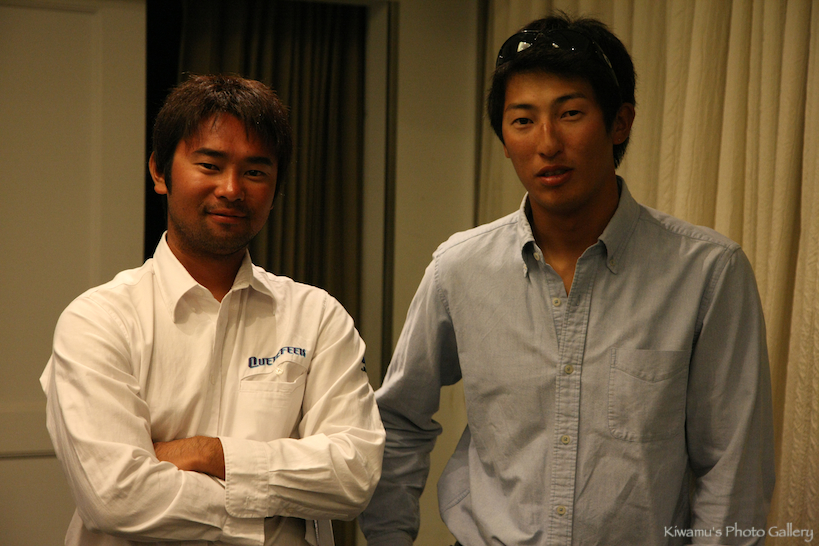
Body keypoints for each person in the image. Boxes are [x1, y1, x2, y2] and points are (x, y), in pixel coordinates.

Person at [359, 12, 774, 546]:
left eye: (570, 113)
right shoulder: (458, 268)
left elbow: (734, 468)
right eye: (522, 120)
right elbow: (398, 422)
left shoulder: (707, 272)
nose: (547, 143)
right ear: (504, 139)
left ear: (620, 122)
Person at [41, 74, 385, 546]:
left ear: (276, 187)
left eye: (256, 172)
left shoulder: (317, 316)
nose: (231, 189)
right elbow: (116, 497)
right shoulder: (99, 320)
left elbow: (354, 476)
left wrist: (210, 454)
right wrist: (274, 521)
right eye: (209, 165)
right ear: (159, 171)